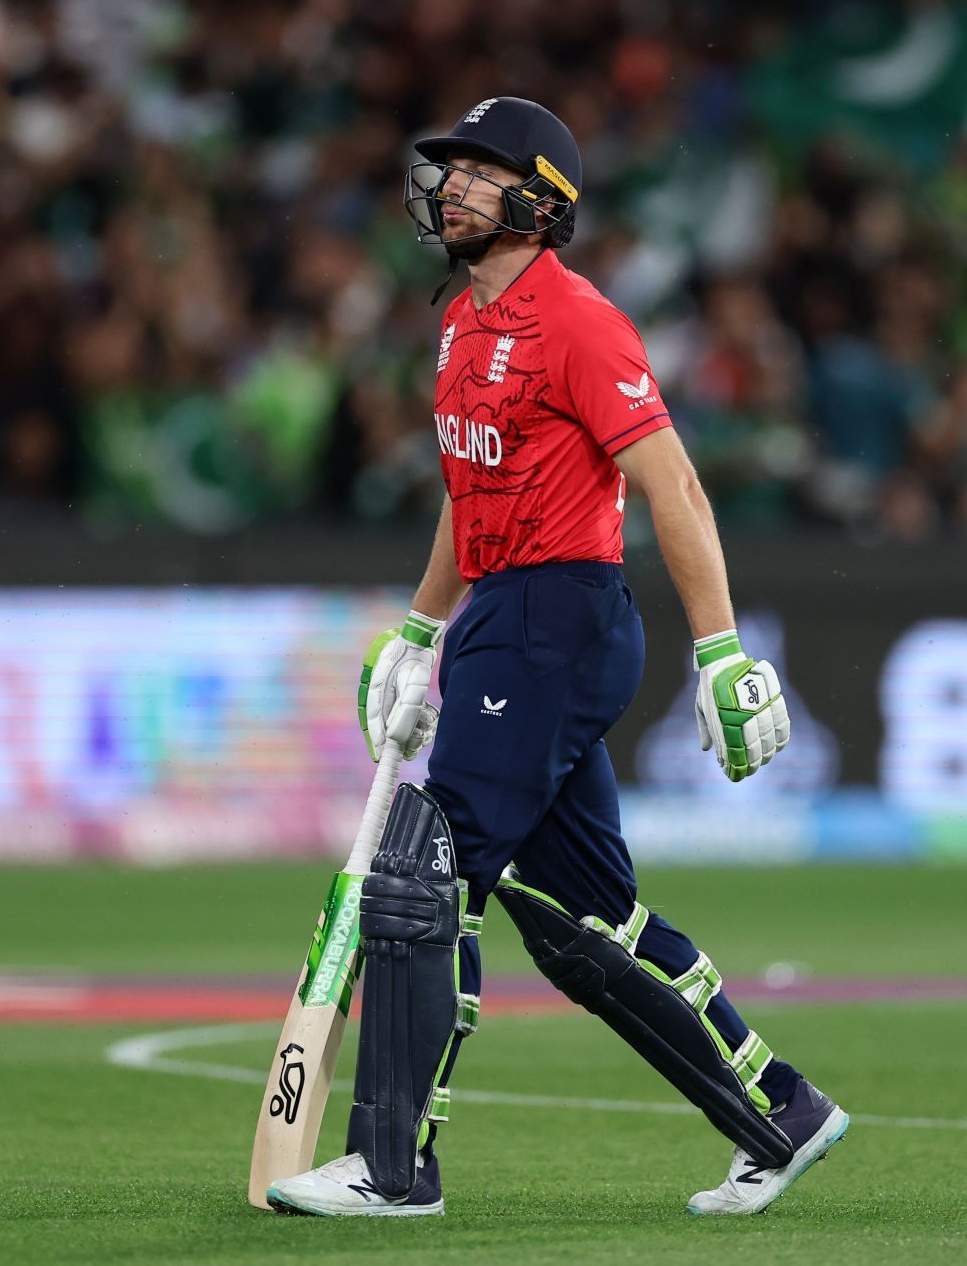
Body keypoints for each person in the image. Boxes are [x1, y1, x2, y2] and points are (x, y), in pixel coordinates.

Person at [266, 96, 846, 1219]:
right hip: (501, 617)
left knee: (422, 867)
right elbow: (466, 492)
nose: (450, 190)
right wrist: (421, 631)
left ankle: (394, 1165)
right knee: (579, 915)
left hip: (560, 619)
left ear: (538, 199)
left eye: (479, 174)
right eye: (451, 171)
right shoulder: (458, 328)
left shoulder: (578, 324)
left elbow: (671, 481)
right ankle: (783, 1110)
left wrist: (722, 650)